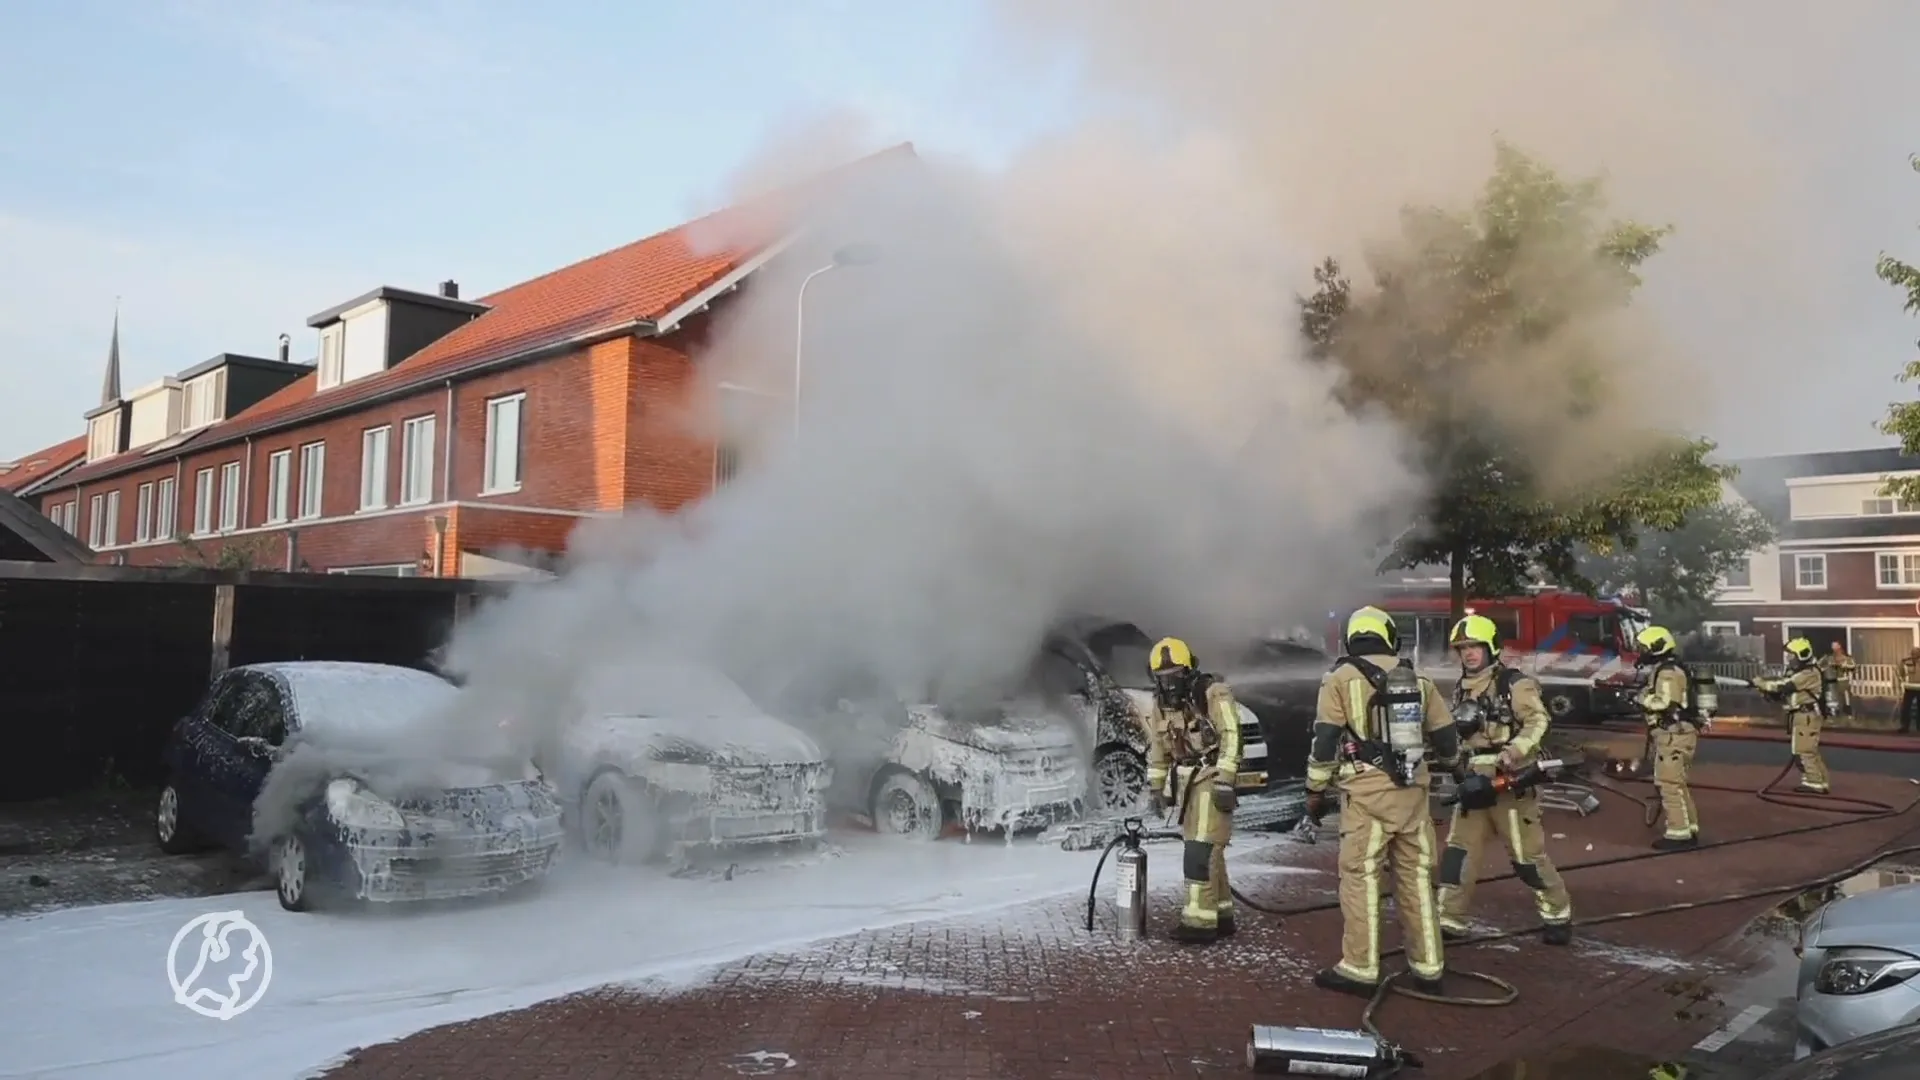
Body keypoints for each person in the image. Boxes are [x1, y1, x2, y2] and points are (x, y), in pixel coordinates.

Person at [1303, 606, 1460, 997]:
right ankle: (1428, 967)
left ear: (1351, 639)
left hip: (1367, 794)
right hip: (1413, 795)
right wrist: (1458, 771)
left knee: (1361, 878)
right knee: (1417, 879)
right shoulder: (1418, 678)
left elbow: (1325, 740)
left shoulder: (1339, 678)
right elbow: (1446, 739)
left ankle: (1359, 967)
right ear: (1391, 636)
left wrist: (1315, 789)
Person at [1435, 614, 1574, 945]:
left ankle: (1557, 914)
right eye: (1462, 648)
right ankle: (1449, 918)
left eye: (1475, 647)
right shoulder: (1460, 688)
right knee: (1458, 854)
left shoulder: (1514, 684)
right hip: (1473, 783)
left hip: (1509, 782)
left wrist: (1513, 753)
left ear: (1490, 647)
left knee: (1527, 858)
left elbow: (1539, 721)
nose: (1468, 654)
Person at [1143, 636, 1243, 943]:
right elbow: (1159, 750)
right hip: (1186, 784)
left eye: (1174, 677)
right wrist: (1156, 787)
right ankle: (1221, 914)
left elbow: (1232, 736)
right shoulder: (1161, 705)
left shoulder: (1213, 694)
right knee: (1210, 849)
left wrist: (1226, 779)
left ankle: (1198, 924)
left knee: (1200, 850)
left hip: (1211, 776)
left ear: (1188, 672)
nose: (1169, 685)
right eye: (1162, 679)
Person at [1634, 625, 1703, 850]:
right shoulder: (1666, 669)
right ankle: (1688, 828)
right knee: (1677, 784)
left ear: (1656, 647)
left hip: (1674, 735)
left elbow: (1664, 702)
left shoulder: (1667, 672)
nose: (1640, 650)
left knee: (1669, 784)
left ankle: (1678, 835)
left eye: (1644, 647)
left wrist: (1641, 698)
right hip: (1677, 734)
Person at [1755, 637, 1832, 795]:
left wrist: (1761, 683)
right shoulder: (1801, 673)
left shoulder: (1809, 673)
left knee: (1802, 751)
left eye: (1792, 656)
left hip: (1806, 716)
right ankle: (1820, 780)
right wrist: (1766, 692)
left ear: (1802, 655)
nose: (1789, 659)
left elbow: (1784, 686)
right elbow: (1783, 692)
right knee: (1810, 750)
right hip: (1804, 716)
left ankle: (1814, 782)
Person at [1821, 641, 1856, 719]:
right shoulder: (1828, 657)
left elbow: (1853, 666)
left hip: (1843, 680)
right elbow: (1820, 665)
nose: (1834, 648)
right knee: (1833, 698)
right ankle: (1834, 714)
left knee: (1846, 698)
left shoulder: (1846, 658)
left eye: (1835, 646)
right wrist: (1825, 668)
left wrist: (1844, 666)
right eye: (1832, 646)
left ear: (1839, 646)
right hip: (1831, 681)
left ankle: (1848, 715)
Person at [1899, 647, 1920, 735]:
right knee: (1906, 707)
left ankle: (1919, 728)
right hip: (1909, 687)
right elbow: (1901, 673)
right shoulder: (1906, 662)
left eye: (1916, 653)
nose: (1914, 655)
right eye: (1912, 653)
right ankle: (1905, 727)